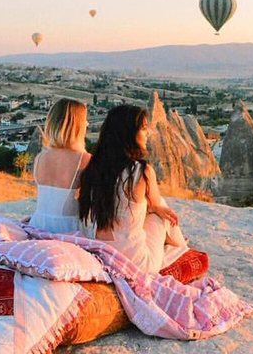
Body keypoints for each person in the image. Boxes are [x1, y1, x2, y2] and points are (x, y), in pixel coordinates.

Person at [78, 105, 187, 273]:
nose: (147, 134)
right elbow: (158, 207)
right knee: (159, 213)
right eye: (143, 129)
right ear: (129, 134)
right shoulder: (141, 171)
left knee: (142, 209)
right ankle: (183, 250)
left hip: (99, 252)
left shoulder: (92, 167)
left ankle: (180, 247)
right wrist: (155, 207)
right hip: (136, 262)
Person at [29, 98, 91, 234]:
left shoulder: (41, 157)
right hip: (68, 228)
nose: (87, 124)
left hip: (38, 223)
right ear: (76, 126)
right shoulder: (84, 159)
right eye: (84, 121)